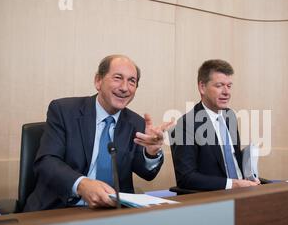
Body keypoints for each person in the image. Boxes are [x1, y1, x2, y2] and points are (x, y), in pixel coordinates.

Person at [24, 55, 172, 211]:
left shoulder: (136, 123)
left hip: (113, 212)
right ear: (98, 81)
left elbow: (147, 173)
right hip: (61, 208)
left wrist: (151, 153)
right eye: (117, 78)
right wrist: (81, 184)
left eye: (132, 81)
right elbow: (46, 162)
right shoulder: (63, 111)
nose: (124, 87)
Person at [170, 59, 260, 191]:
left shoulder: (230, 116)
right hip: (214, 197)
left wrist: (249, 176)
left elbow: (232, 160)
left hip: (244, 190)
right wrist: (233, 184)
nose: (226, 92)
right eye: (219, 86)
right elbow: (186, 178)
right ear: (202, 87)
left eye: (229, 86)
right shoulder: (185, 125)